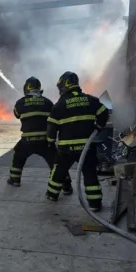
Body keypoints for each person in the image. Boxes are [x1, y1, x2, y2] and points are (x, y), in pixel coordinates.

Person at [45, 71, 108, 208]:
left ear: (64, 86)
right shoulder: (91, 100)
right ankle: (95, 203)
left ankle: (52, 195)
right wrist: (98, 126)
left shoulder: (59, 105)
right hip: (87, 147)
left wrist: (50, 141)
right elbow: (105, 112)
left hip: (66, 149)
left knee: (59, 172)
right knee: (90, 174)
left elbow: (51, 127)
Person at [8, 77, 71, 193]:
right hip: (45, 141)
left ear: (27, 88)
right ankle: (66, 185)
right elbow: (54, 119)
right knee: (56, 163)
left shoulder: (20, 102)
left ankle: (15, 179)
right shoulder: (48, 102)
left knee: (18, 157)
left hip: (27, 140)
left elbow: (17, 115)